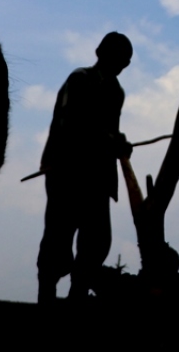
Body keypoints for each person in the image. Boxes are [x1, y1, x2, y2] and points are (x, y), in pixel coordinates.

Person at [37, 32, 133, 304]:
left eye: (126, 60)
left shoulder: (116, 92)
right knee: (58, 239)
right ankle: (46, 299)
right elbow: (72, 125)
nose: (123, 64)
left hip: (98, 179)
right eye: (120, 57)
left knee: (97, 243)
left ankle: (76, 298)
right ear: (101, 54)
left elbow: (108, 131)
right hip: (67, 173)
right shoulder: (80, 79)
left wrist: (119, 143)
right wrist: (110, 140)